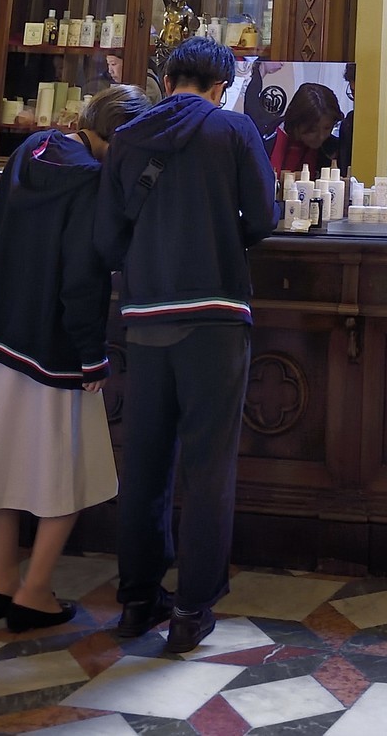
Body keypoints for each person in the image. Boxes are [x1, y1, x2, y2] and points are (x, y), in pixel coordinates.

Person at [95, 36, 278, 655]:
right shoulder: (232, 131)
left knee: (144, 463)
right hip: (216, 316)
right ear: (222, 85)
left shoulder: (126, 138)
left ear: (167, 79)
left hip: (145, 318)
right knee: (208, 467)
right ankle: (194, 608)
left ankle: (136, 599)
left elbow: (107, 234)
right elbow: (262, 219)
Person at [0, 83, 153, 628]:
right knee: (65, 469)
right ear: (120, 138)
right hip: (53, 346)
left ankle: (4, 582)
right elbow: (82, 279)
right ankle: (35, 590)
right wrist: (92, 356)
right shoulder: (91, 182)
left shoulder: (30, 149)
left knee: (0, 463)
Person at [268, 83, 343, 179]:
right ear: (296, 122)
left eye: (327, 128)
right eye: (312, 130)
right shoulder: (268, 139)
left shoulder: (331, 150)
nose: (321, 136)